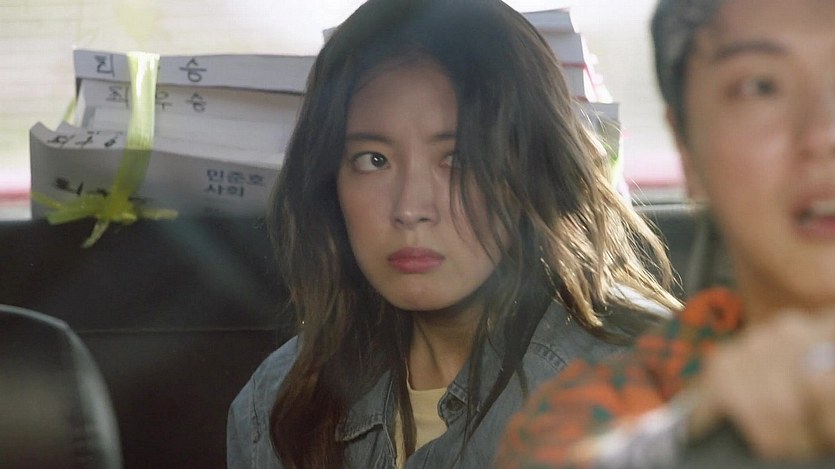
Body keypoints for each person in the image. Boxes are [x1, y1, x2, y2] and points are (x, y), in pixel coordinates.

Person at [226, 0, 680, 467]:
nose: (409, 209)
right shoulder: (278, 405)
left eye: (458, 159)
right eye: (373, 160)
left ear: (531, 168)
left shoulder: (641, 386)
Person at [497, 0, 835, 467]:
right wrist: (690, 437)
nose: (824, 134)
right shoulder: (600, 411)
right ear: (686, 148)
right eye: (761, 87)